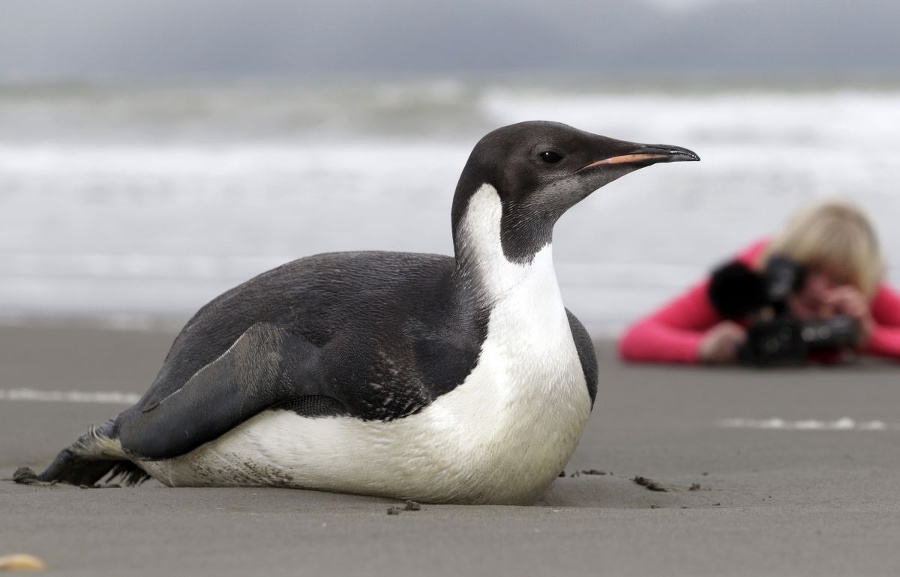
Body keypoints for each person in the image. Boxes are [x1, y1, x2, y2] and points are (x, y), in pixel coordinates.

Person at [618, 200, 900, 365]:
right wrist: (702, 347)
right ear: (787, 261)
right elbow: (636, 337)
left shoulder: (860, 290)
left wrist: (868, 336)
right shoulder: (748, 279)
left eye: (836, 278)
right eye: (809, 269)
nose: (818, 287)